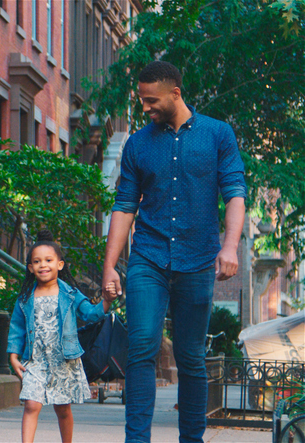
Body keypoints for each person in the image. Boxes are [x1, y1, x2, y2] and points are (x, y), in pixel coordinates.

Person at [101, 61, 246, 443]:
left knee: (191, 357)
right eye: (142, 101)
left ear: (175, 94)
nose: (145, 108)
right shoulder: (138, 143)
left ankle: (191, 440)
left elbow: (235, 194)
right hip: (148, 257)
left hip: (198, 259)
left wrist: (230, 245)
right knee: (141, 348)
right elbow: (124, 206)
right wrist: (110, 266)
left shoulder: (218, 134)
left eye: (151, 101)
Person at [8, 239, 112, 443]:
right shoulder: (25, 298)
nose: (43, 265)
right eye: (37, 262)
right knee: (31, 405)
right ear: (30, 268)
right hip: (35, 360)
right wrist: (13, 356)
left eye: (48, 260)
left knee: (63, 409)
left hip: (63, 361)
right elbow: (17, 328)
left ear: (59, 264)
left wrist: (106, 301)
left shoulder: (70, 294)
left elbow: (91, 314)